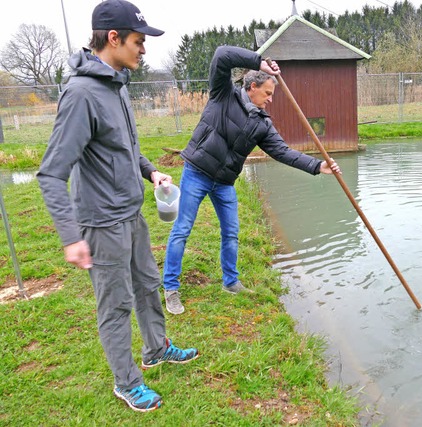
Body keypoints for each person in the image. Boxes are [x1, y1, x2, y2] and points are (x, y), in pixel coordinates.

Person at [36, 0, 198, 413]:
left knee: (147, 286)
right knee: (116, 304)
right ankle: (126, 383)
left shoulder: (118, 85)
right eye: (139, 41)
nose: (144, 50)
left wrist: (151, 174)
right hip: (101, 224)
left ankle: (156, 349)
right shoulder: (81, 95)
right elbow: (51, 174)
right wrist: (71, 238)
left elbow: (126, 148)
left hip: (132, 213)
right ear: (113, 38)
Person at [162, 45, 341, 315]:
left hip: (224, 183)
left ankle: (230, 282)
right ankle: (171, 288)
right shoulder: (223, 94)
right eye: (268, 93)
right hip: (197, 172)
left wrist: (317, 166)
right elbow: (222, 54)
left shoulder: (262, 124)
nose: (270, 99)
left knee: (231, 232)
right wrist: (259, 61)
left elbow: (283, 152)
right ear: (253, 86)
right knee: (182, 229)